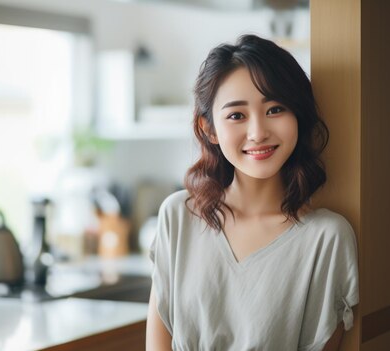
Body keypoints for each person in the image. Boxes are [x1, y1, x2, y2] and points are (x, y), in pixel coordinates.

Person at [146, 34, 359, 351]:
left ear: (297, 116)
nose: (258, 132)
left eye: (275, 109)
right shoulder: (177, 216)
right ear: (209, 129)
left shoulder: (326, 238)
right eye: (236, 115)